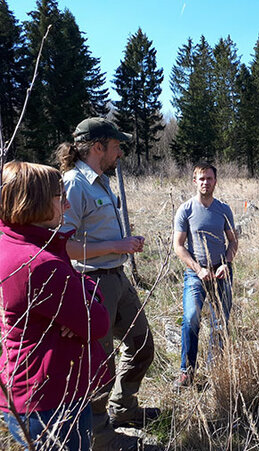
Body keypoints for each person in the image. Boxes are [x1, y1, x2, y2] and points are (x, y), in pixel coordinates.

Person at [55, 118, 157, 451]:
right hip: (91, 283)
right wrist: (115, 246)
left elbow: (96, 234)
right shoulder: (74, 184)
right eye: (116, 146)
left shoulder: (100, 181)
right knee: (100, 365)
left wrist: (124, 243)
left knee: (142, 343)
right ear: (98, 147)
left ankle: (123, 409)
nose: (120, 152)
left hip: (117, 277)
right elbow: (63, 246)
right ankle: (100, 436)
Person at [0, 161, 111, 450]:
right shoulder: (41, 265)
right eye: (60, 198)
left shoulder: (9, 245)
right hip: (52, 396)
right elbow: (96, 323)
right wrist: (87, 288)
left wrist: (77, 289)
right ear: (35, 203)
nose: (67, 207)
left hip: (22, 387)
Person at [173, 162, 238, 387]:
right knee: (191, 317)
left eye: (209, 178)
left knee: (220, 322)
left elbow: (233, 241)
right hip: (196, 272)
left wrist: (226, 264)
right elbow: (179, 246)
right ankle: (187, 371)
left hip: (222, 272)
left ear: (215, 181)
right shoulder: (186, 210)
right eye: (201, 179)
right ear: (194, 181)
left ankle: (215, 370)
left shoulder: (223, 209)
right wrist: (198, 269)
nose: (205, 183)